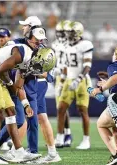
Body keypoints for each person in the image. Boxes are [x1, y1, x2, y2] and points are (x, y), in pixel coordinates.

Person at [0, 29, 48, 163]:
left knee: (11, 111)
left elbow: (18, 85)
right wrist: (10, 84)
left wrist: (26, 104)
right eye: (36, 39)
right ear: (28, 38)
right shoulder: (23, 51)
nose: (39, 42)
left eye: (41, 40)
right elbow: (0, 69)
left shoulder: (30, 57)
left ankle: (19, 152)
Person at [55, 21, 93, 150]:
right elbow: (66, 66)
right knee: (61, 109)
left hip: (81, 81)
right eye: (66, 32)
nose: (67, 35)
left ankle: (86, 140)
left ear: (77, 33)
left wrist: (79, 79)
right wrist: (61, 82)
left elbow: (87, 65)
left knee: (82, 111)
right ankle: (60, 137)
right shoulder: (66, 46)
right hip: (68, 80)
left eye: (69, 32)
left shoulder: (85, 45)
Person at [52, 20, 73, 148]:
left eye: (62, 32)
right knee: (61, 108)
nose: (60, 34)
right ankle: (66, 134)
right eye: (58, 32)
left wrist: (63, 79)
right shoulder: (55, 44)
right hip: (58, 76)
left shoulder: (70, 45)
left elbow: (67, 64)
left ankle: (66, 134)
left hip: (66, 76)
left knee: (62, 107)